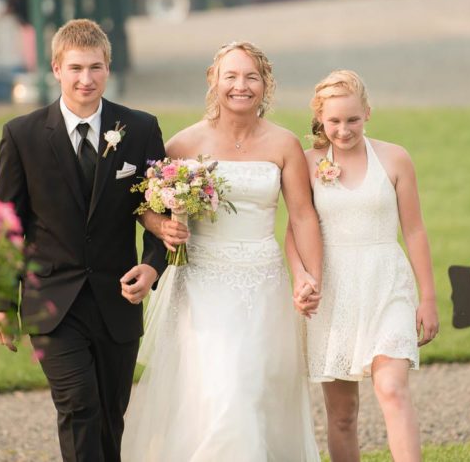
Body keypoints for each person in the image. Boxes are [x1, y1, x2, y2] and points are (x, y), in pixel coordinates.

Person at [0, 18, 187, 462]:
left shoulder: (139, 129)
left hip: (118, 299)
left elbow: (158, 208)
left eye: (96, 68)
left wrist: (153, 264)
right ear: (56, 68)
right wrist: (2, 301)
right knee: (79, 404)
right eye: (76, 68)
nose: (86, 79)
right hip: (51, 300)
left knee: (110, 414)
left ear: (108, 68)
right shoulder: (21, 136)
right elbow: (5, 224)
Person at [122, 41, 323, 461]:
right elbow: (145, 208)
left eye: (251, 77)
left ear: (265, 85)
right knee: (222, 388)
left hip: (263, 283)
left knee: (256, 388)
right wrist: (164, 225)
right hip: (202, 285)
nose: (241, 86)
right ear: (213, 81)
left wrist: (310, 277)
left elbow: (303, 217)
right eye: (230, 75)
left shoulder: (284, 144)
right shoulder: (181, 145)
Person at [301, 70, 439, 462]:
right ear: (320, 119)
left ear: (368, 113)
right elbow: (297, 228)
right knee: (342, 414)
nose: (343, 130)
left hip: (386, 283)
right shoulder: (309, 163)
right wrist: (303, 277)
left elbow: (414, 230)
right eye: (334, 121)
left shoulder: (395, 158)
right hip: (335, 291)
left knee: (392, 389)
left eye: (353, 120)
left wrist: (427, 299)